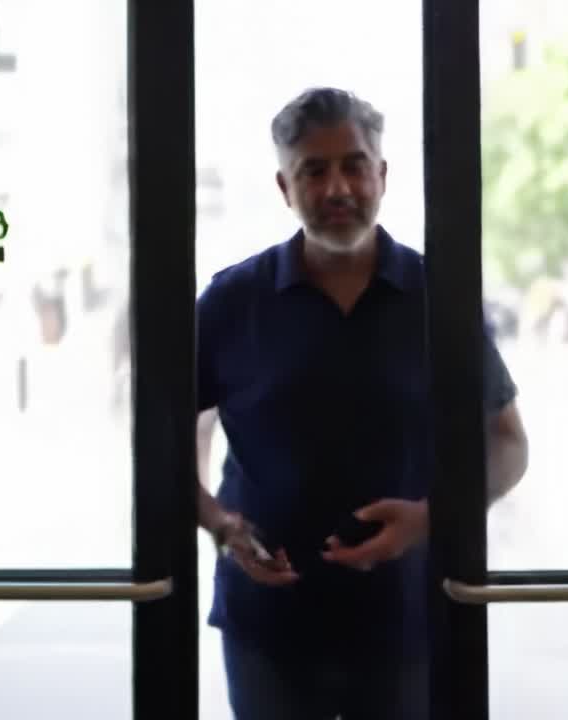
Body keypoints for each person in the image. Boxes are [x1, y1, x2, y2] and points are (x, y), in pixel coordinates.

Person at [195, 87, 529, 719]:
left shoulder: (441, 297)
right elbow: (175, 435)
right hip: (270, 625)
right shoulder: (232, 300)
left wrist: (434, 516)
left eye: (353, 165)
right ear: (284, 187)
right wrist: (220, 523)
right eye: (312, 171)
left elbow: (508, 442)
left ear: (382, 174)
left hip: (407, 620)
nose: (337, 187)